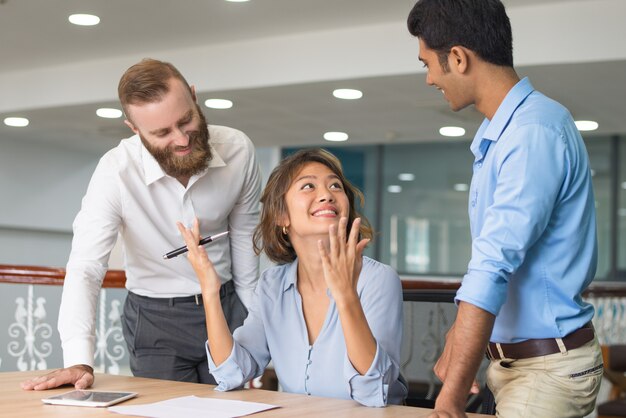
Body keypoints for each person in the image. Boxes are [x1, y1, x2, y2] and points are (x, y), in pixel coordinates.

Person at [406, 1, 602, 417]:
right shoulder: (503, 133)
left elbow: (493, 265)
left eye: (428, 64)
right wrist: (457, 342)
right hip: (517, 366)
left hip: (546, 371)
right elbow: (494, 262)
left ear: (458, 58)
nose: (428, 79)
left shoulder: (533, 132)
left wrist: (452, 396)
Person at [21, 59, 261, 390]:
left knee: (234, 408)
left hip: (226, 303)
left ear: (193, 96)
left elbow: (245, 243)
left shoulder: (238, 151)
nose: (180, 139)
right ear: (134, 129)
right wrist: (78, 359)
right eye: (161, 132)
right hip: (155, 317)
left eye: (186, 120)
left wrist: (255, 325)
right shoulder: (115, 171)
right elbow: (85, 268)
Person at [177, 148, 408, 407]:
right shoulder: (272, 285)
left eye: (335, 186)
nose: (326, 195)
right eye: (308, 186)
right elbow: (232, 374)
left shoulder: (378, 279)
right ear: (281, 216)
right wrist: (209, 290)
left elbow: (375, 392)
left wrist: (346, 296)